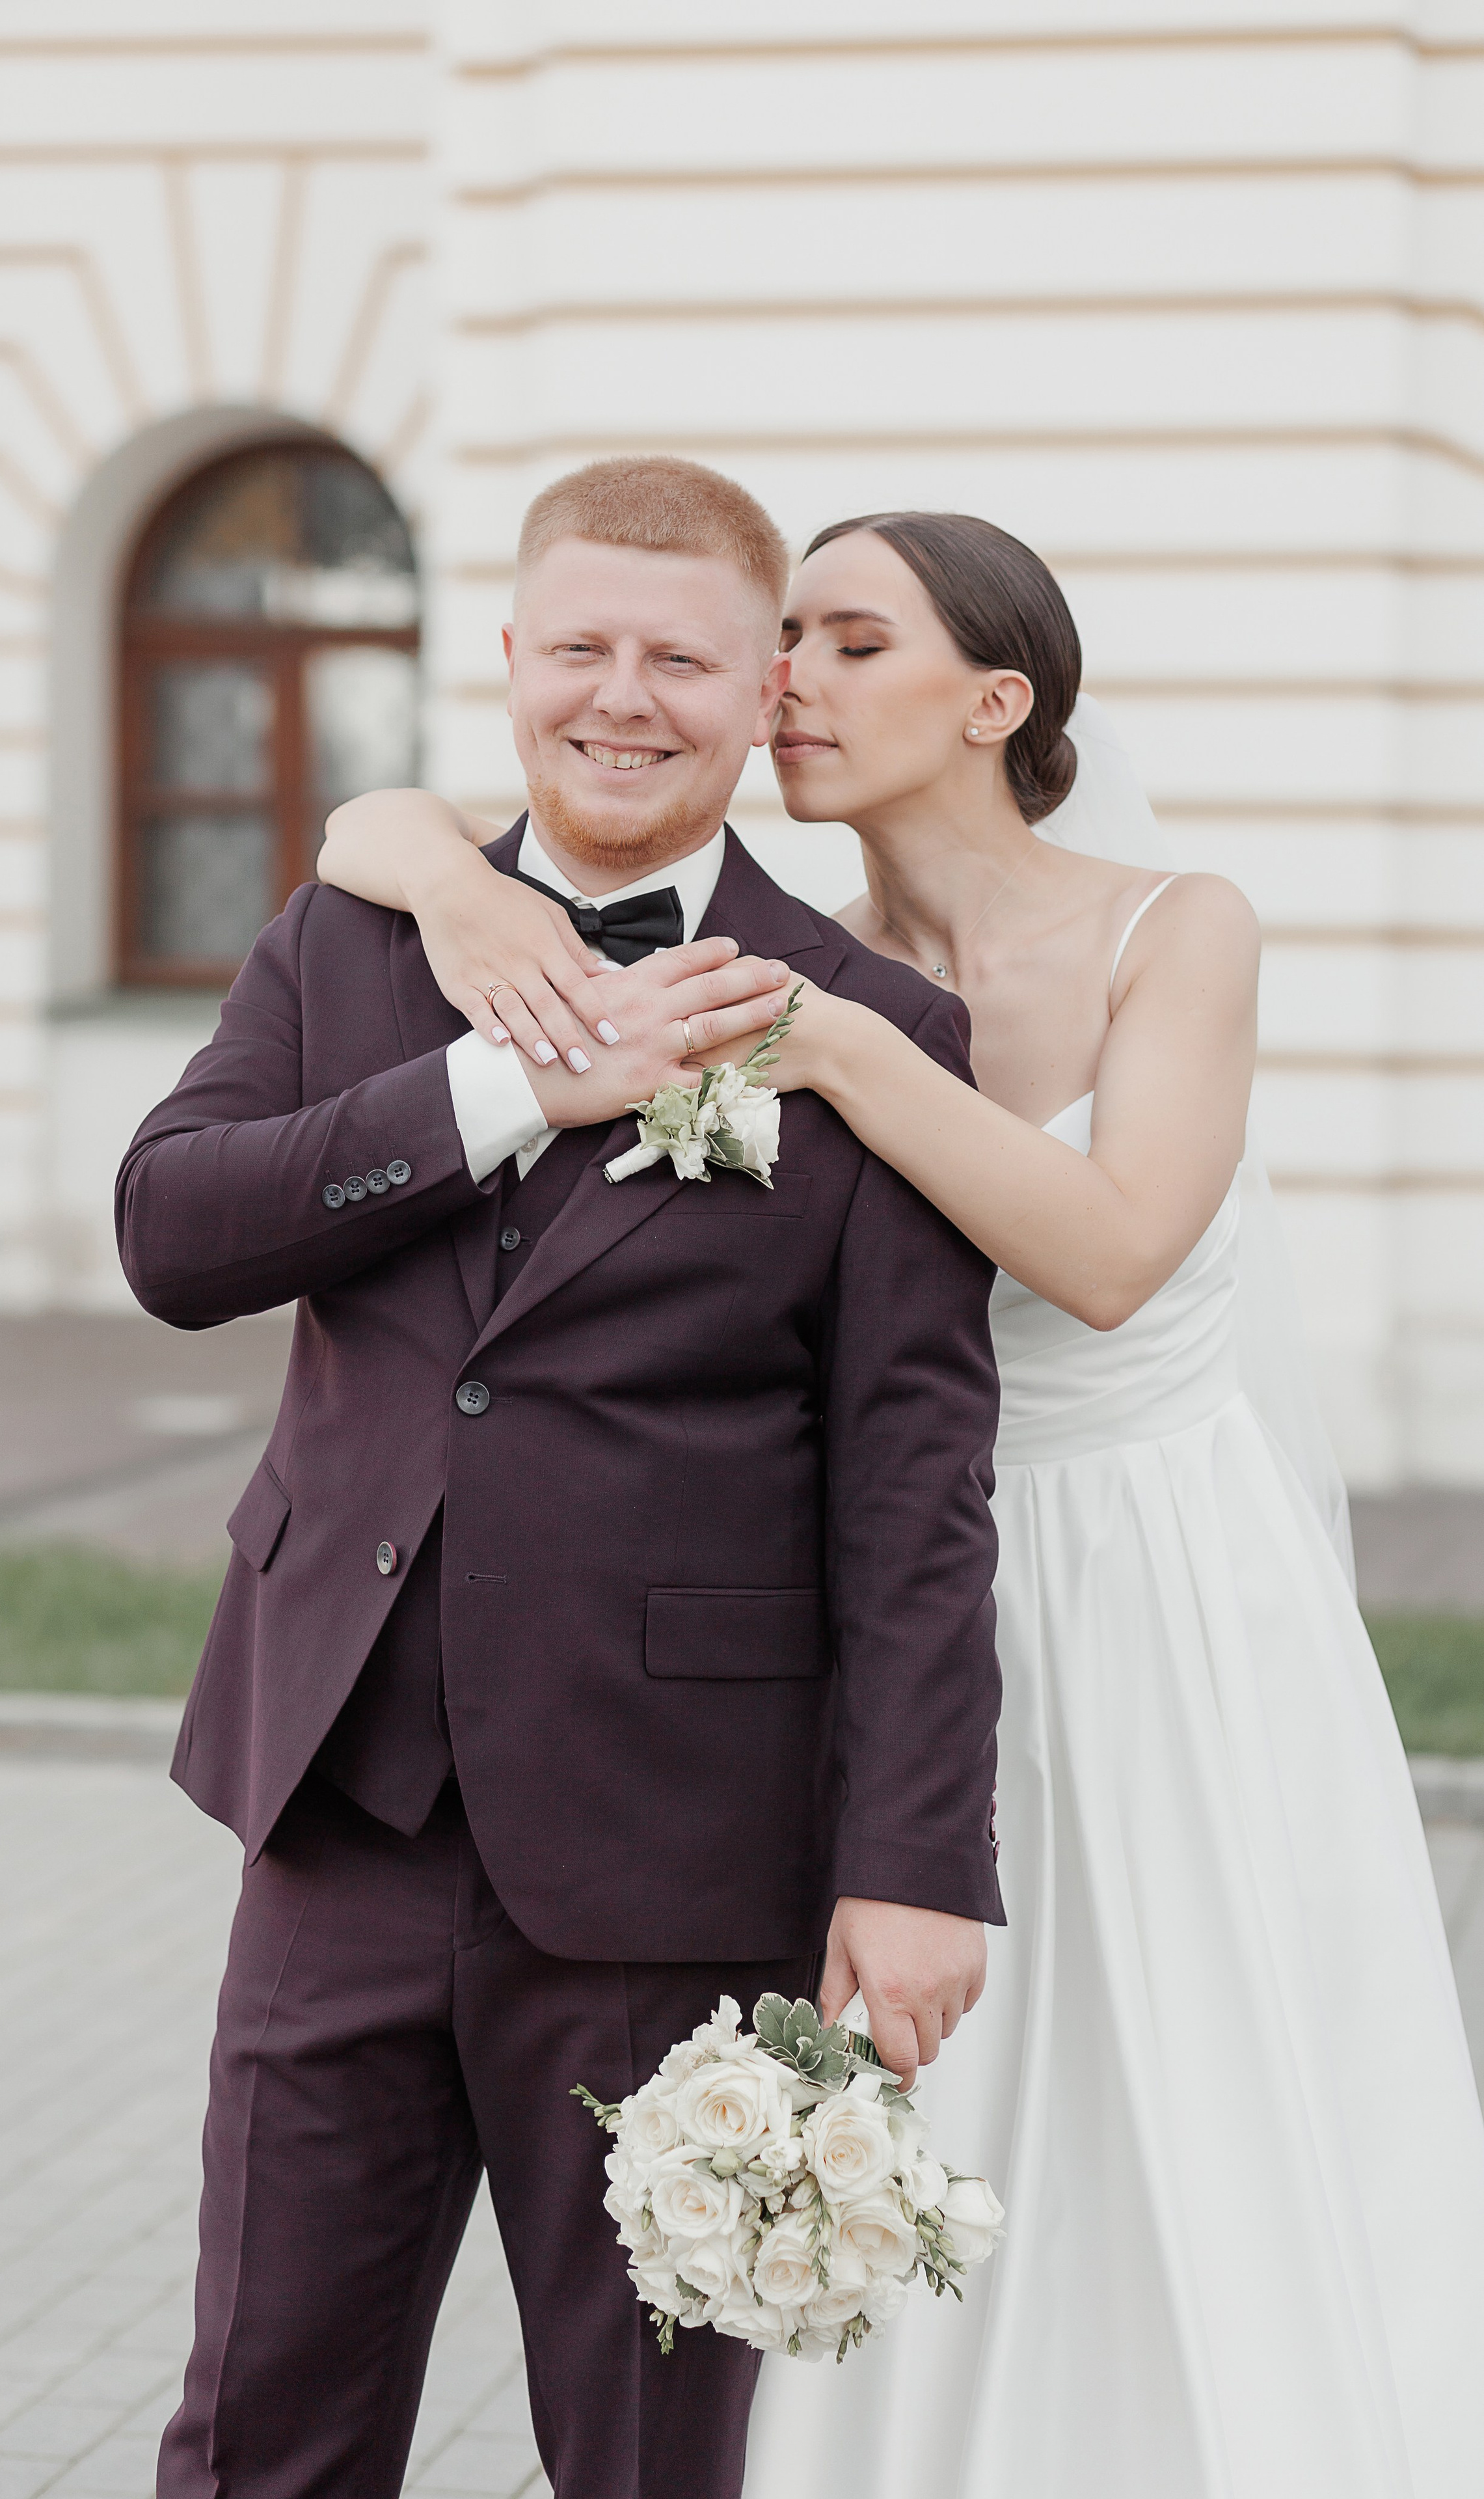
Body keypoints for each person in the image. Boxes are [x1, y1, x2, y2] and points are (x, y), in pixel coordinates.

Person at [318, 506, 1484, 2496]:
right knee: (899, 2120)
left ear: (997, 699)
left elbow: (1113, 1252)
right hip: (865, 1605)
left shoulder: (1167, 927)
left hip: (1142, 1597)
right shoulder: (779, 937)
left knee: (1164, 2087)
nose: (787, 682)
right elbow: (372, 827)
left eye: (850, 644)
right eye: (780, 641)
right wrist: (448, 881)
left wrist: (845, 1053)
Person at [121, 457, 1008, 2499]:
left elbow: (912, 1490)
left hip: (673, 1854)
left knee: (646, 2455)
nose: (625, 695)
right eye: (581, 647)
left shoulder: (865, 1027)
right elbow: (173, 1236)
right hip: (334, 1805)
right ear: (511, 660)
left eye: (680, 657)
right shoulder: (355, 934)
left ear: (759, 680)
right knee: (261, 2428)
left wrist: (916, 1859)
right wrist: (512, 1082)